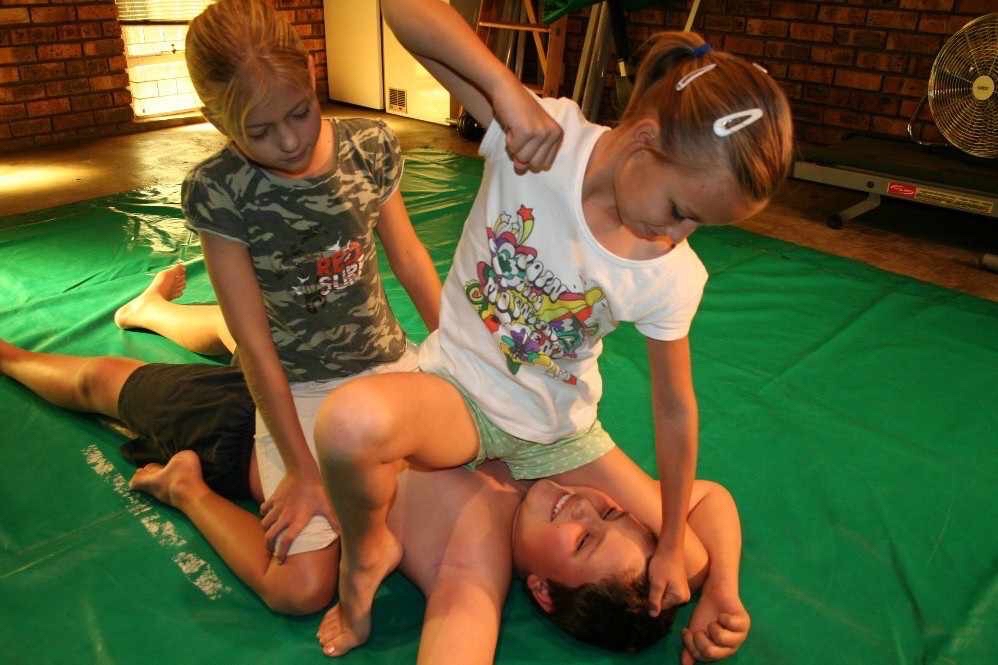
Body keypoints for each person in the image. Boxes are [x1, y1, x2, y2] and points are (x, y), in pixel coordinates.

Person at [313, 0, 794, 655]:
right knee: (348, 424)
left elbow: (676, 410)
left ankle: (516, 504)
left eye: (698, 224)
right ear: (645, 140)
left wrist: (712, 583)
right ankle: (365, 554)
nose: (679, 234)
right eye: (681, 209)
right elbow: (404, 12)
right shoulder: (543, 142)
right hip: (459, 394)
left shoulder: (667, 271)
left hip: (559, 434)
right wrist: (505, 92)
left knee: (687, 560)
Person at [1, 296, 748, 664]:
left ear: (543, 591)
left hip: (256, 439)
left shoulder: (478, 558)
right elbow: (706, 502)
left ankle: (179, 481)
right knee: (242, 334)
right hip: (339, 376)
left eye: (584, 540)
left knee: (106, 385)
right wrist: (718, 586)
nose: (587, 506)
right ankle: (156, 307)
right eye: (612, 514)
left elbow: (459, 638)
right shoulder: (554, 452)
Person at [180, 0, 442, 562]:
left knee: (459, 495)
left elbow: (410, 258)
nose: (290, 142)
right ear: (217, 121)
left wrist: (460, 353)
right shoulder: (219, 189)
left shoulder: (368, 146)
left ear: (311, 73)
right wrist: (302, 470)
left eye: (300, 112)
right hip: (298, 383)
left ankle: (155, 310)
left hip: (383, 362)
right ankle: (186, 489)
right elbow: (253, 341)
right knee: (302, 588)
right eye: (259, 131)